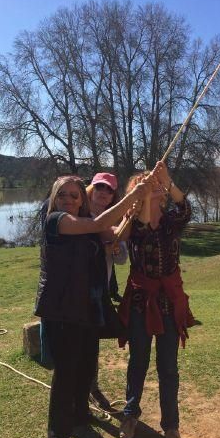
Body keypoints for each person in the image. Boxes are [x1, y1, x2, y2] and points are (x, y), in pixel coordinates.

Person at [34, 174, 152, 438]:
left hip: (88, 308)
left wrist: (135, 211)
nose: (69, 200)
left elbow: (117, 234)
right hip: (61, 310)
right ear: (55, 197)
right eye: (63, 194)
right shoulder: (57, 221)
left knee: (85, 369)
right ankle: (58, 436)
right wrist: (133, 195)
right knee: (66, 375)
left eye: (74, 195)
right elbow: (100, 225)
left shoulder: (87, 222)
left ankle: (80, 422)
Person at [117, 161, 195, 438]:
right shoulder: (132, 225)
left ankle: (171, 427)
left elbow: (186, 209)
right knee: (138, 362)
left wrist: (168, 180)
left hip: (168, 304)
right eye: (148, 188)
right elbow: (138, 231)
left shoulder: (172, 221)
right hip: (141, 303)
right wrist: (144, 196)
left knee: (168, 367)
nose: (157, 191)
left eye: (158, 189)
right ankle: (130, 415)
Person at [86, 172, 128, 411]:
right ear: (91, 188)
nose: (103, 192)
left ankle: (92, 388)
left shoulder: (115, 221)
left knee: (92, 343)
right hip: (77, 291)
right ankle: (74, 393)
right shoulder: (78, 214)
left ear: (114, 196)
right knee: (75, 344)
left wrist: (113, 248)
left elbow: (122, 258)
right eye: (99, 187)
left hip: (99, 292)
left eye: (109, 190)